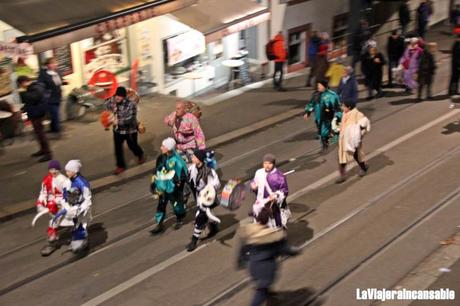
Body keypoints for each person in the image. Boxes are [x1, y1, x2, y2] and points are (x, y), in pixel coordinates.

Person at [237, 207, 300, 306]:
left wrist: (241, 261)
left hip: (253, 267)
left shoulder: (249, 232)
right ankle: (265, 296)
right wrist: (295, 252)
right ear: (268, 220)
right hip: (266, 269)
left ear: (257, 218)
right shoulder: (274, 235)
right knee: (261, 291)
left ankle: (269, 295)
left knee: (262, 286)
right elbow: (284, 249)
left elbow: (243, 250)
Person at [150, 138, 188, 234]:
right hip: (163, 188)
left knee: (176, 204)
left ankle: (179, 218)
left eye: (163, 146)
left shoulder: (177, 160)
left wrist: (177, 185)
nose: (161, 147)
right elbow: (157, 171)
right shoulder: (161, 157)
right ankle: (159, 223)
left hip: (173, 189)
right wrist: (154, 183)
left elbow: (183, 175)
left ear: (168, 148)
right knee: (161, 204)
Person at [186, 149, 221, 252]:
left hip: (207, 198)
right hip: (198, 196)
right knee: (206, 215)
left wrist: (208, 190)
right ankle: (214, 225)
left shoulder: (209, 172)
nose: (192, 158)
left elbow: (216, 183)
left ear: (200, 159)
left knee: (200, 217)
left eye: (194, 157)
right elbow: (188, 179)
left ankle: (194, 240)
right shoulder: (192, 168)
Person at [35, 160, 72, 256]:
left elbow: (67, 194)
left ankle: (53, 240)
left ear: (59, 169)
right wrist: (40, 203)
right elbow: (43, 193)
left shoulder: (63, 180)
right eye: (51, 169)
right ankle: (54, 239)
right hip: (52, 206)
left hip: (62, 206)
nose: (53, 171)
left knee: (54, 222)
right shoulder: (47, 180)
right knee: (56, 222)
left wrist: (58, 201)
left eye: (55, 169)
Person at [105, 86, 145, 175]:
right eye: (116, 96)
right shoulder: (113, 100)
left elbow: (130, 119)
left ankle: (140, 154)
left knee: (132, 146)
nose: (117, 98)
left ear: (124, 97)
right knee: (118, 149)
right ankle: (120, 166)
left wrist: (117, 121)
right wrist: (108, 98)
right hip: (117, 131)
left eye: (119, 96)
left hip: (130, 130)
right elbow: (107, 106)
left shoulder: (131, 104)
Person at [17, 75, 52, 162]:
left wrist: (22, 92)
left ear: (24, 82)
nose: (21, 86)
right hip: (35, 112)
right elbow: (29, 101)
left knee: (40, 133)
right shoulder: (33, 87)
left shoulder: (36, 87)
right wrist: (24, 108)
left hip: (38, 113)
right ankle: (43, 150)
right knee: (38, 133)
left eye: (20, 84)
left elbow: (33, 99)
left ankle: (48, 153)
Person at [250, 154, 289, 230]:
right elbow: (254, 181)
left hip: (273, 204)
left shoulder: (279, 176)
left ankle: (278, 233)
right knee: (260, 221)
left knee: (275, 221)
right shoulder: (259, 172)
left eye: (269, 163)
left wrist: (276, 196)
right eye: (265, 163)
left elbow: (284, 190)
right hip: (261, 202)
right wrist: (253, 186)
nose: (267, 166)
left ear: (273, 164)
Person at [336, 100, 371, 184]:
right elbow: (343, 124)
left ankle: (363, 168)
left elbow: (364, 125)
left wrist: (359, 136)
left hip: (353, 141)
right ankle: (342, 175)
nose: (342, 107)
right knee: (342, 158)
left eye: (344, 106)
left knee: (357, 155)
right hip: (344, 140)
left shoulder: (357, 114)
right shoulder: (344, 113)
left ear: (349, 107)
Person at [304, 80, 342, 152]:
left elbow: (337, 107)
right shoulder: (315, 94)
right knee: (320, 129)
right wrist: (307, 112)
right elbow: (311, 104)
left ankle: (325, 144)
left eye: (320, 85)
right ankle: (327, 139)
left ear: (324, 86)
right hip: (318, 117)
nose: (318, 87)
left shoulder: (332, 95)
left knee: (324, 130)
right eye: (318, 85)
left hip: (328, 116)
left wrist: (338, 116)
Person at [63, 160, 92, 253]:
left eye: (68, 171)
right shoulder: (69, 180)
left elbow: (87, 198)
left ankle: (83, 241)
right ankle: (77, 240)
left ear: (74, 171)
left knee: (81, 223)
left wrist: (82, 208)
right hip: (74, 207)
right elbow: (66, 192)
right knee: (76, 223)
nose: (66, 173)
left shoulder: (82, 183)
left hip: (80, 208)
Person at [38, 57, 66, 134]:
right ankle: (57, 129)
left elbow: (60, 81)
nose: (54, 64)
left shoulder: (58, 72)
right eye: (52, 63)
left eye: (55, 62)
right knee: (55, 113)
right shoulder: (43, 74)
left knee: (55, 113)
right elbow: (40, 85)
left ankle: (53, 128)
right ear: (47, 65)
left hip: (58, 95)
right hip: (49, 97)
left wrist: (64, 82)